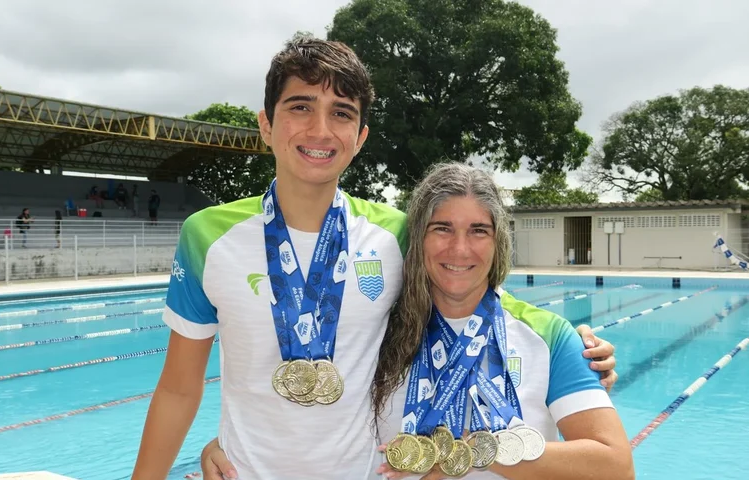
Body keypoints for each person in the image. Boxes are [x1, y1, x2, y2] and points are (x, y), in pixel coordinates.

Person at [131, 37, 618, 480]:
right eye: (300, 106)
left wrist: (573, 343)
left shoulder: (394, 233)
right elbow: (178, 388)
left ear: (360, 136)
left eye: (341, 112)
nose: (320, 129)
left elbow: (467, 282)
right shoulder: (207, 236)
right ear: (266, 123)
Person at [198, 165, 627, 480]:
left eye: (479, 230)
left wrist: (474, 452)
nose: (460, 249)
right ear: (416, 238)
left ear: (499, 242)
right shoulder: (380, 332)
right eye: (442, 228)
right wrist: (232, 442)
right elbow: (315, 418)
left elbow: (614, 465)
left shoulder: (548, 335)